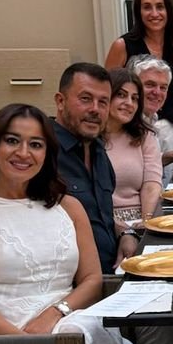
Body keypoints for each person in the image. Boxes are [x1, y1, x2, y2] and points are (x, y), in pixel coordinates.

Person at [0, 103, 141, 344]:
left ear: (47, 153)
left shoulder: (69, 207)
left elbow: (92, 280)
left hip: (70, 322)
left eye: (35, 144)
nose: (23, 153)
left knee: (80, 333)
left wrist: (55, 314)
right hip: (9, 343)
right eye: (12, 141)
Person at [51, 61, 119, 274]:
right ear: (60, 101)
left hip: (111, 274)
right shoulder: (43, 153)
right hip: (70, 282)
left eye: (103, 102)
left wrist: (127, 234)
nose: (95, 110)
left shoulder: (99, 150)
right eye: (86, 99)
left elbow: (102, 217)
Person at [104, 0, 173, 128]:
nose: (154, 14)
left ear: (168, 10)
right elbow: (107, 91)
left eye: (160, 7)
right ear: (139, 12)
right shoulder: (122, 46)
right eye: (147, 7)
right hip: (135, 129)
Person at [103, 67, 163, 259]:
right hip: (103, 224)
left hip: (141, 220)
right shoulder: (88, 139)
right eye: (121, 95)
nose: (129, 103)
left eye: (135, 98)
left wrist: (145, 223)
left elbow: (151, 183)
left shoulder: (144, 136)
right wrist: (121, 230)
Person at [130, 55, 173, 167]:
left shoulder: (152, 118)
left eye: (163, 87)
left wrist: (170, 157)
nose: (157, 92)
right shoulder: (125, 123)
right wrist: (169, 157)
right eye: (150, 85)